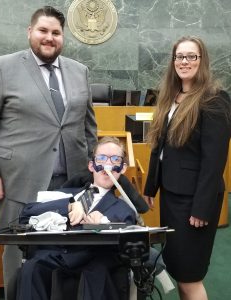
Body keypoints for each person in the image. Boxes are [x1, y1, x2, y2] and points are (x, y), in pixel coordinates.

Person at [0, 6, 97, 297]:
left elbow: (88, 126)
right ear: (30, 32)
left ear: (62, 37)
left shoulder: (79, 71)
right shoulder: (2, 67)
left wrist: (94, 168)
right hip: (19, 182)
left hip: (71, 185)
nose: (49, 38)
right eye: (43, 31)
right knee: (19, 256)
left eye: (56, 33)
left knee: (68, 252)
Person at [143, 36, 231, 300]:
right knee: (180, 270)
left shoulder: (214, 100)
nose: (184, 61)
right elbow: (160, 147)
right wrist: (151, 186)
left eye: (191, 56)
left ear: (202, 61)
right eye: (179, 56)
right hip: (172, 197)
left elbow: (214, 160)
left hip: (195, 202)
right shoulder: (173, 95)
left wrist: (202, 207)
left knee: (190, 276)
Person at [16, 136, 137, 300]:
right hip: (54, 255)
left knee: (98, 274)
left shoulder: (123, 208)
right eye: (102, 158)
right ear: (91, 165)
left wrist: (104, 225)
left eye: (115, 159)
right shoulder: (65, 193)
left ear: (122, 168)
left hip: (92, 260)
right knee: (32, 268)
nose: (107, 165)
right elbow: (26, 213)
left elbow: (127, 239)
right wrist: (69, 205)